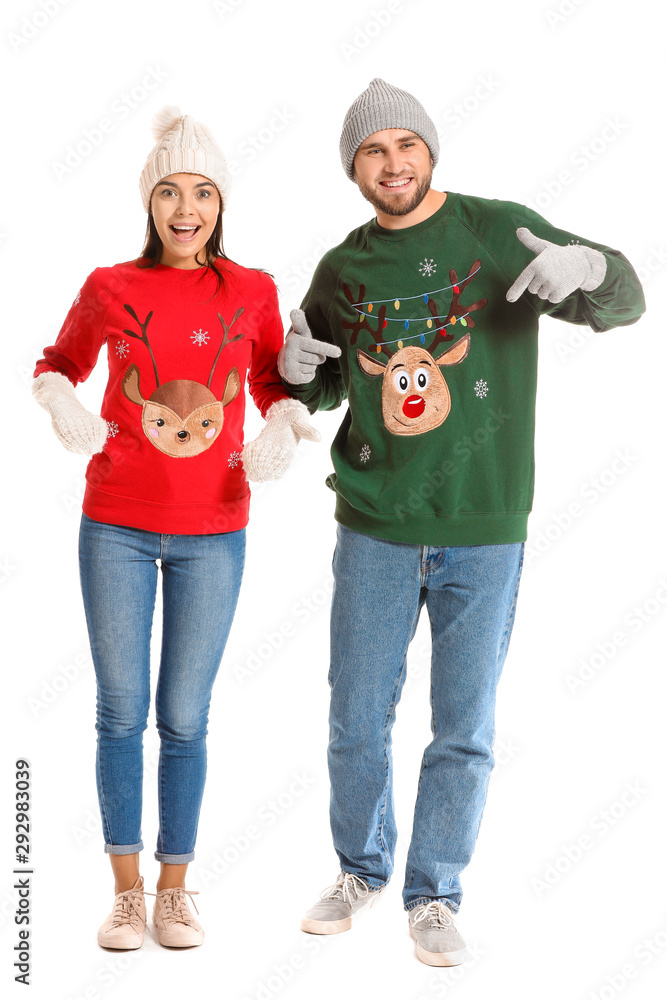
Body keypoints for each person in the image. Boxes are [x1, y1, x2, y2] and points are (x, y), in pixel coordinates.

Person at [278, 78, 646, 967]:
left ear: (429, 152)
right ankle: (359, 870)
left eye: (404, 144)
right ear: (354, 169)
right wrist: (291, 370)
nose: (391, 162)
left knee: (464, 722)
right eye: (372, 150)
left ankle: (433, 893)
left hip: (483, 526)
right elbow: (326, 382)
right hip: (373, 521)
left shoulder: (494, 229)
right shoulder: (342, 266)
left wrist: (589, 268)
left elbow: (626, 302)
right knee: (356, 714)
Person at [32, 106, 318, 950]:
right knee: (120, 710)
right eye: (168, 192)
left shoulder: (253, 290)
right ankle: (123, 894)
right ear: (149, 204)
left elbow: (270, 382)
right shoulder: (111, 286)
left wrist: (281, 424)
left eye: (201, 192)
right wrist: (60, 404)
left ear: (221, 203)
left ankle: (175, 889)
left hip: (215, 530)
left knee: (184, 716)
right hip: (115, 524)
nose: (185, 209)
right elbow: (58, 363)